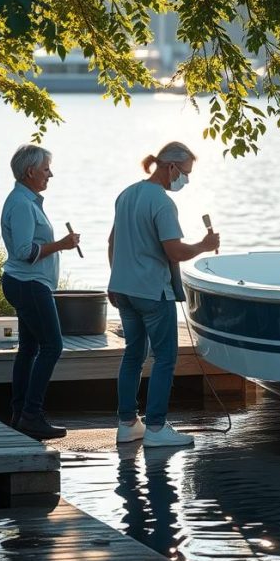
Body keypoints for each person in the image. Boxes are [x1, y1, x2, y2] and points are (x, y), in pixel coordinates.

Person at [108, 141, 219, 448]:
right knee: (165, 358)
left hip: (124, 290)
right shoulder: (161, 202)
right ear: (171, 167)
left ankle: (127, 423)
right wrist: (203, 246)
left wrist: (113, 280)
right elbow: (175, 251)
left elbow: (111, 242)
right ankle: (156, 428)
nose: (185, 179)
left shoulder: (127, 194)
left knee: (133, 354)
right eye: (185, 173)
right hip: (152, 292)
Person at [0, 144, 80, 439]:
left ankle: (20, 413)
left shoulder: (26, 200)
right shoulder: (22, 203)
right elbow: (23, 251)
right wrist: (61, 244)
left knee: (30, 349)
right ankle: (31, 415)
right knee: (52, 346)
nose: (50, 174)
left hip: (28, 284)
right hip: (29, 284)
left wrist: (60, 244)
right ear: (30, 171)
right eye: (46, 169)